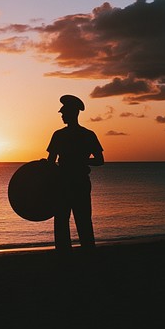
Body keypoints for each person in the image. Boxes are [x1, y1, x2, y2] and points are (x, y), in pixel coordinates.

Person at [47, 94, 104, 251]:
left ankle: (77, 255)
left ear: (73, 113)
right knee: (77, 221)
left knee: (69, 221)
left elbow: (100, 160)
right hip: (72, 183)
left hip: (72, 183)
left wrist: (79, 161)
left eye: (64, 113)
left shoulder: (62, 135)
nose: (62, 116)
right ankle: (83, 254)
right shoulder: (86, 135)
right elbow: (99, 160)